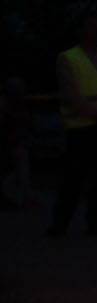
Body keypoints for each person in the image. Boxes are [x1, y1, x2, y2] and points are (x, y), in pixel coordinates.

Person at [50, 13, 97, 237]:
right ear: (81, 31)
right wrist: (95, 113)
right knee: (73, 177)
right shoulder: (68, 58)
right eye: (91, 27)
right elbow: (70, 91)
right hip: (81, 127)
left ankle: (96, 222)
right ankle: (60, 223)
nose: (96, 31)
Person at [1, 75, 35, 209]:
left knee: (21, 170)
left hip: (19, 142)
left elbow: (28, 123)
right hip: (10, 143)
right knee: (20, 169)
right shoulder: (6, 105)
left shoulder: (21, 104)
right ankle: (26, 196)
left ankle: (26, 196)